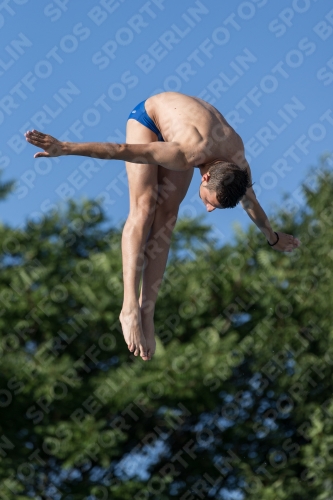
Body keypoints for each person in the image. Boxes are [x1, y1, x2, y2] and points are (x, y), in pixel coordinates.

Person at [25, 91, 301, 362]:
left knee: (167, 215)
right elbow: (121, 151)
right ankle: (129, 307)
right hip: (149, 120)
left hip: (187, 133)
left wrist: (272, 236)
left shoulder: (238, 164)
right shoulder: (185, 154)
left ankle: (147, 311)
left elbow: (250, 201)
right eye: (210, 202)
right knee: (144, 208)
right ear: (205, 177)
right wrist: (65, 148)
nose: (207, 208)